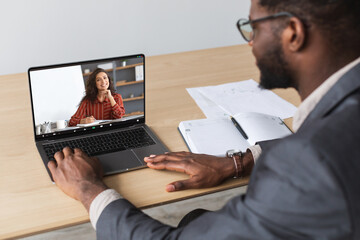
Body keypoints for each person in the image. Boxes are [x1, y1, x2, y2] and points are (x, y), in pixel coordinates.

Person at [48, 0, 360, 239]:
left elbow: (314, 157)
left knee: (192, 220)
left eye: (253, 27)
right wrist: (238, 162)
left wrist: (88, 189)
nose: (249, 41)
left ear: (293, 33)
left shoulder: (308, 164)